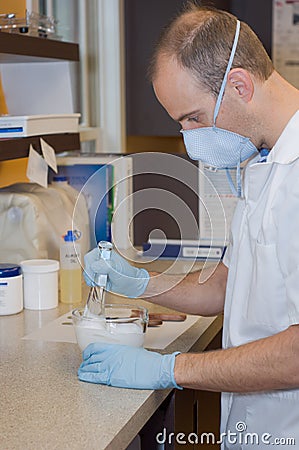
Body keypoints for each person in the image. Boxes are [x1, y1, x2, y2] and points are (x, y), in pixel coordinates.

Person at [80, 3, 299, 448]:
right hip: (256, 426)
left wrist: (170, 369)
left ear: (239, 85)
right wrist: (140, 281)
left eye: (193, 117)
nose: (190, 137)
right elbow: (231, 284)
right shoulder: (262, 162)